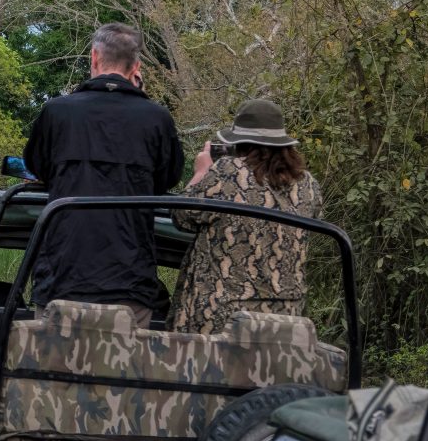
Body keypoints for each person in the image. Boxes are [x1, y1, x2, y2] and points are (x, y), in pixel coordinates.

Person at [24, 23, 184, 327]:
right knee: (124, 372)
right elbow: (166, 180)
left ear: (94, 57)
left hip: (62, 277)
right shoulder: (157, 119)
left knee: (49, 370)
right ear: (136, 66)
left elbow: (39, 168)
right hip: (130, 283)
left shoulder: (57, 112)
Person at [168, 99, 323, 335]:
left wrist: (201, 173)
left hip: (223, 321)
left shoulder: (227, 172)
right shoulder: (308, 185)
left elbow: (182, 216)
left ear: (239, 143)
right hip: (285, 324)